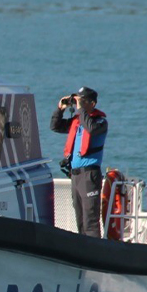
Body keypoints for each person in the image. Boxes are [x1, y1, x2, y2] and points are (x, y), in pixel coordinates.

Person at [50, 86, 108, 238]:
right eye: (77, 101)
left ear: (92, 103)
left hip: (89, 175)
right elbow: (55, 126)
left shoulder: (100, 122)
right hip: (75, 176)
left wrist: (81, 109)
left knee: (90, 220)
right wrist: (60, 109)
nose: (78, 104)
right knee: (80, 219)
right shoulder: (77, 122)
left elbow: (91, 129)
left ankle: (95, 248)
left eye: (82, 101)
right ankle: (83, 248)